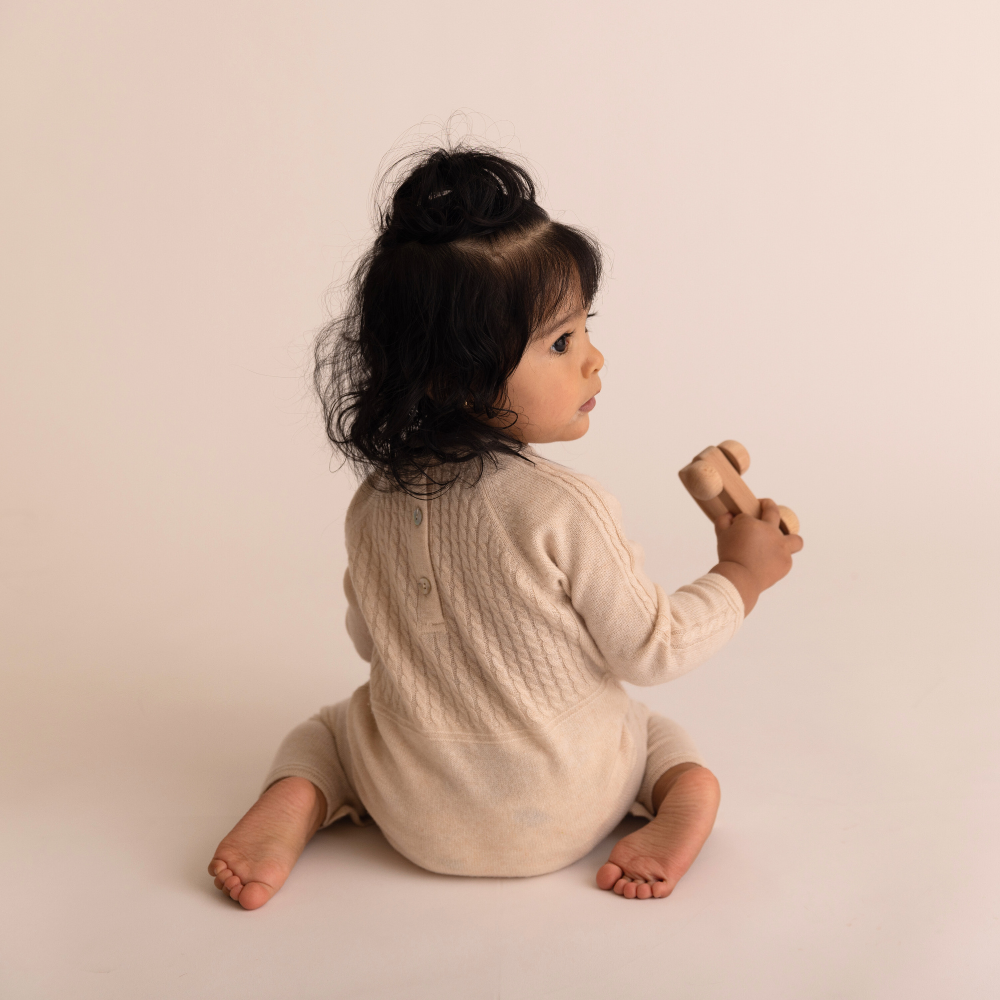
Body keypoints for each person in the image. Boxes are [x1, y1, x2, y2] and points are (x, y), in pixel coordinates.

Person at [208, 146, 803, 909]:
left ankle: (298, 800)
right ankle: (682, 802)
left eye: (586, 329)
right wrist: (742, 574)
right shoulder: (562, 508)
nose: (594, 361)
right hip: (562, 804)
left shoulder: (373, 503)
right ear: (454, 376)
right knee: (655, 736)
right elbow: (652, 647)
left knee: (328, 734)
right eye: (560, 343)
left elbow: (370, 641)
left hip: (410, 806)